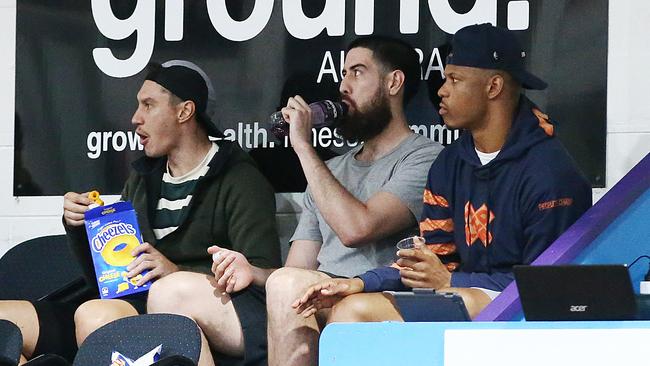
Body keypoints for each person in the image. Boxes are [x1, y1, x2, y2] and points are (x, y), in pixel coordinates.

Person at [293, 23, 592, 326]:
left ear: (493, 87)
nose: (441, 90)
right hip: (458, 292)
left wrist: (449, 279)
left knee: (460, 297)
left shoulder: (549, 172)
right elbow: (433, 260)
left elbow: (546, 285)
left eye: (454, 79)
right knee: (352, 309)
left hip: (529, 311)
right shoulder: (449, 165)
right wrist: (361, 282)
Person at [0, 61, 281, 366]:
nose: (135, 118)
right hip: (136, 303)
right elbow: (107, 282)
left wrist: (175, 272)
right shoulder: (142, 178)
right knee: (10, 319)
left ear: (184, 112)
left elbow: (263, 274)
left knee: (96, 315)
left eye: (148, 105)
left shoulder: (239, 177)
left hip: (213, 312)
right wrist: (81, 227)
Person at [263, 35, 443, 366]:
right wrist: (252, 273)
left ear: (394, 82)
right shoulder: (330, 169)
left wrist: (302, 146)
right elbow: (295, 271)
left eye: (357, 72)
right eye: (343, 74)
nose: (344, 85)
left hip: (378, 299)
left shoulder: (426, 158)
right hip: (320, 298)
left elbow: (357, 228)